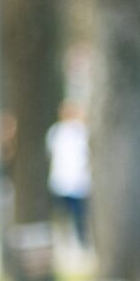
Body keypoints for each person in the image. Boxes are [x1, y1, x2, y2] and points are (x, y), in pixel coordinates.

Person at [47, 100, 91, 248]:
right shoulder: (56, 131)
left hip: (79, 183)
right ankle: (65, 241)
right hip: (61, 182)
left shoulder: (81, 131)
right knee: (62, 215)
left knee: (79, 215)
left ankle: (81, 241)